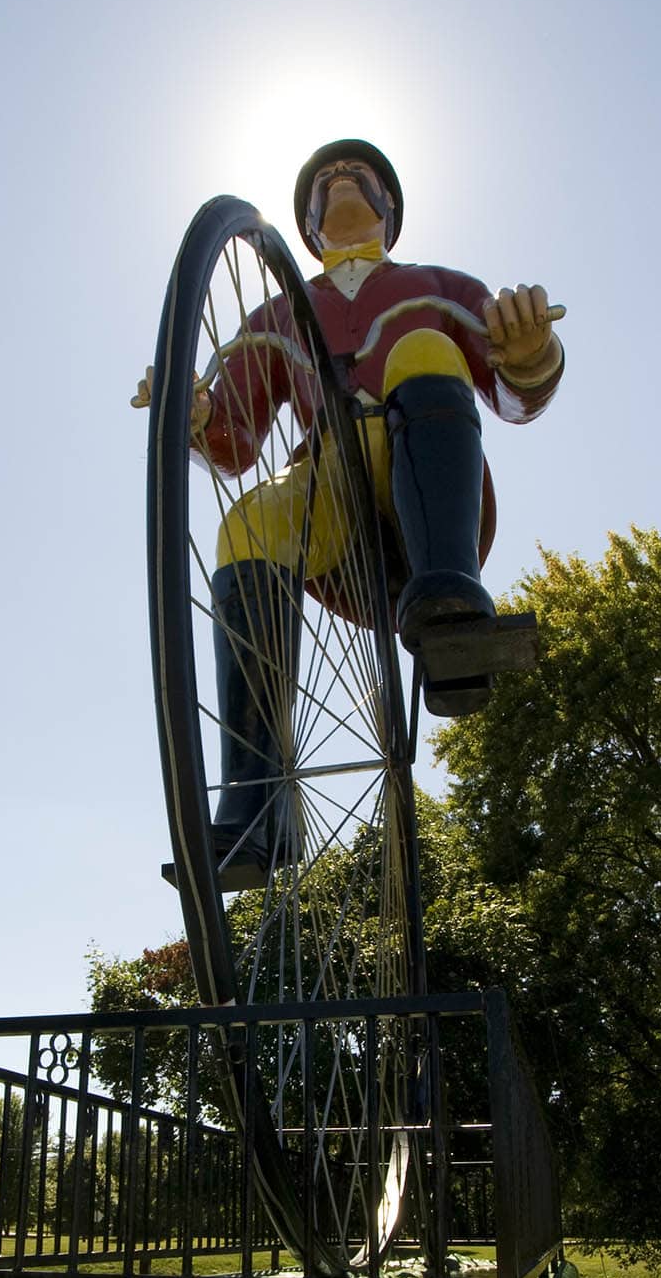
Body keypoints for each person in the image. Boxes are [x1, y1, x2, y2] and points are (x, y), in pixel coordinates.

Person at [134, 139, 564, 887]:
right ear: (305, 224)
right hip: (331, 491)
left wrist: (531, 351)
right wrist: (198, 411)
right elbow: (235, 440)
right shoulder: (278, 315)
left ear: (389, 209)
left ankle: (449, 605)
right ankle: (257, 803)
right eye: (323, 182)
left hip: (421, 472)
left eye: (357, 176)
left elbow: (510, 390)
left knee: (425, 348)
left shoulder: (441, 287)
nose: (340, 183)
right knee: (243, 527)